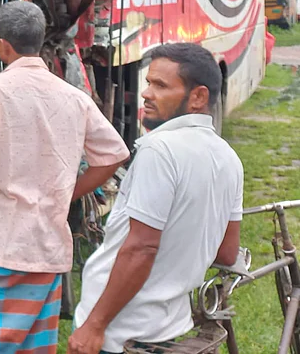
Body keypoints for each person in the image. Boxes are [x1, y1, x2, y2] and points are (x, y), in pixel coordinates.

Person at [0, 1, 130, 354]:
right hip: (47, 251)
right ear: (40, 40)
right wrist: (68, 193)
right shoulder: (72, 97)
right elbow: (114, 155)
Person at [69, 43, 244, 354]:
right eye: (148, 82)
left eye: (160, 85)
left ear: (198, 97)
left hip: (119, 331)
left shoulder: (159, 150)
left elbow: (141, 248)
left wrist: (95, 325)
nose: (146, 93)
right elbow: (227, 253)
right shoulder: (228, 157)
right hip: (167, 327)